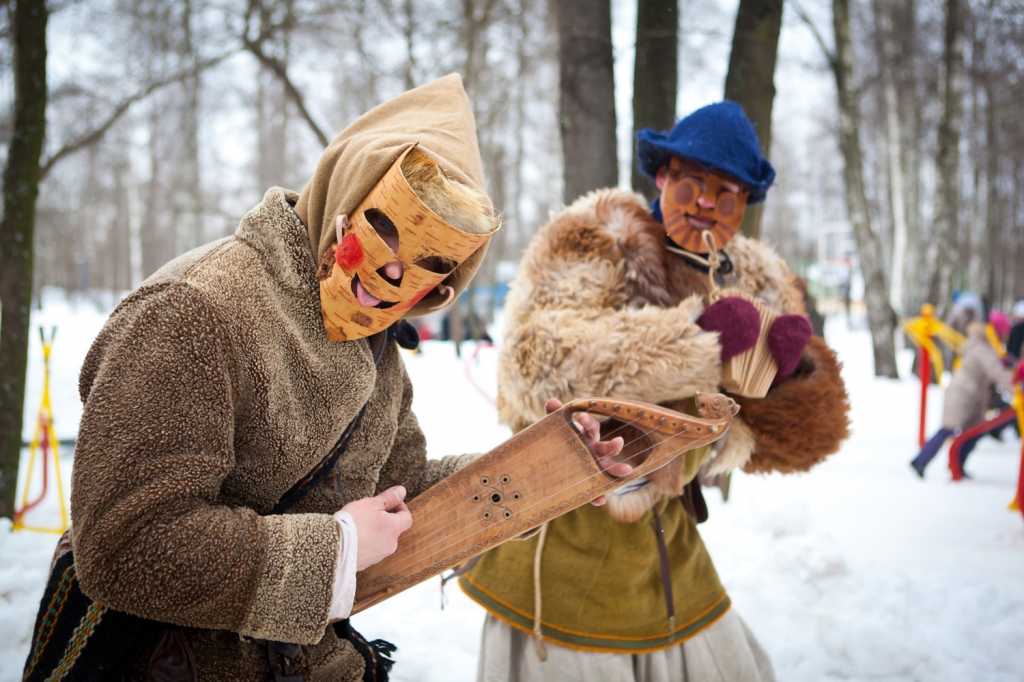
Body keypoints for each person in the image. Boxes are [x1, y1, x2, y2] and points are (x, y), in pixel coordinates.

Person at [22, 75, 626, 682]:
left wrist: (545, 469)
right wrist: (333, 552)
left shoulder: (374, 340)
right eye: (386, 228)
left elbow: (402, 488)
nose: (392, 273)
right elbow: (125, 545)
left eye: (428, 262)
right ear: (348, 191)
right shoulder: (193, 310)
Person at [460, 102, 850, 682]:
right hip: (564, 534)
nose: (703, 205)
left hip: (668, 545)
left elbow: (793, 441)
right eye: (692, 182)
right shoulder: (594, 238)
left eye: (727, 196)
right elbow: (535, 358)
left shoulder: (755, 276)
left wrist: (784, 385)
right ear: (663, 176)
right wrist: (695, 344)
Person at [911, 317, 1024, 478]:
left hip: (973, 398)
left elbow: (1001, 365)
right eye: (1005, 333)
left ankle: (957, 466)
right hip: (962, 395)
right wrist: (1016, 390)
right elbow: (998, 372)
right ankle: (920, 462)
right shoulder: (982, 348)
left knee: (973, 433)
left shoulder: (987, 345)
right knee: (948, 429)